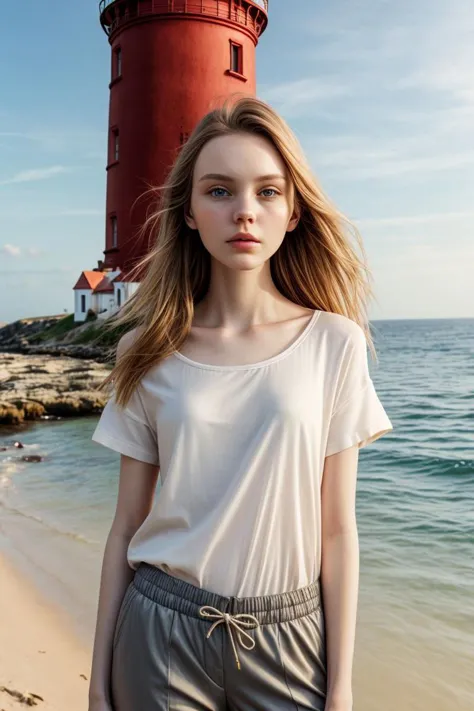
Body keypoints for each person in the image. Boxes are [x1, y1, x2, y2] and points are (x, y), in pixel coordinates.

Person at [88, 95, 393, 711]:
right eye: (220, 191)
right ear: (192, 213)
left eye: (268, 192)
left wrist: (342, 688)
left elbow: (337, 532)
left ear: (294, 210)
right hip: (158, 633)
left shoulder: (336, 342)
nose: (245, 212)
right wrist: (96, 686)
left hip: (290, 641)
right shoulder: (144, 352)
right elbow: (125, 526)